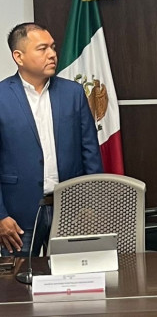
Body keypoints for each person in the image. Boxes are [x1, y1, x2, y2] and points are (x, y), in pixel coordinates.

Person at [0, 23, 103, 257]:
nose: (52, 54)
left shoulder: (73, 93)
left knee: (75, 274)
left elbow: (90, 152)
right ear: (18, 56)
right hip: (17, 216)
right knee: (17, 280)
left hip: (71, 210)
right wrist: (0, 216)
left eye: (53, 47)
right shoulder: (2, 96)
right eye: (42, 48)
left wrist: (92, 203)